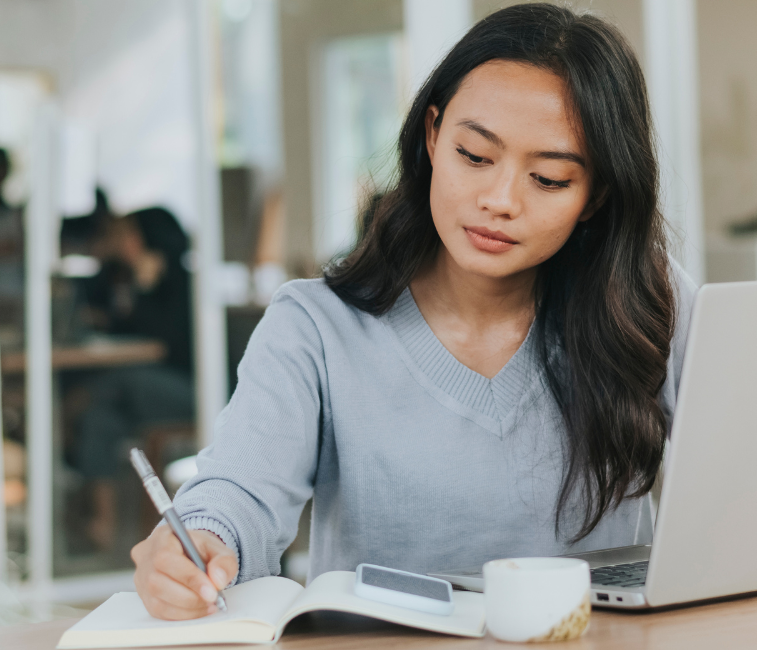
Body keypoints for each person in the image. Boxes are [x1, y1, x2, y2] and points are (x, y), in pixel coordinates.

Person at [131, 3, 695, 620]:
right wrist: (202, 539)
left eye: (550, 179)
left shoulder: (649, 305)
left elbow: (753, 481)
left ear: (596, 196)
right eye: (475, 157)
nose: (499, 200)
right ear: (432, 136)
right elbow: (239, 490)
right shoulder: (316, 328)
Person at [77, 206, 196, 551]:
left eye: (129, 234)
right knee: (99, 418)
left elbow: (166, 344)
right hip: (145, 391)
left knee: (122, 380)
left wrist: (144, 289)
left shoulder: (184, 283)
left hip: (189, 388)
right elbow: (124, 333)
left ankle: (73, 403)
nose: (122, 242)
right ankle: (103, 526)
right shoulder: (123, 277)